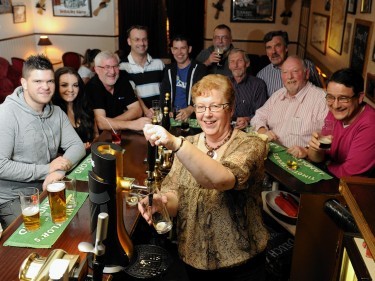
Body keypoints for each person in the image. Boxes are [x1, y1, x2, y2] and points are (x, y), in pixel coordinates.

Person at [139, 74, 269, 280]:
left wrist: (177, 144)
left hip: (240, 264)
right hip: (193, 259)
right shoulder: (189, 143)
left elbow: (221, 180)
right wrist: (160, 204)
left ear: (231, 109)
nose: (206, 115)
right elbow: (174, 195)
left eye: (215, 106)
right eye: (200, 107)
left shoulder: (250, 145)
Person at [0, 54, 85, 230]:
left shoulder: (56, 112)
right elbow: (1, 165)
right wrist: (47, 169)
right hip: (14, 197)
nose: (45, 87)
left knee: (80, 218)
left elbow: (77, 146)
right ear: (23, 83)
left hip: (49, 185)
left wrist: (58, 170)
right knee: (35, 238)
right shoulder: (6, 114)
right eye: (38, 81)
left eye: (50, 81)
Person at [251, 55, 328, 158]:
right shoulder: (278, 95)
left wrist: (306, 150)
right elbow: (259, 116)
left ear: (307, 74)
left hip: (301, 162)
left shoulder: (322, 99)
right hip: (272, 155)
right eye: (285, 72)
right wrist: (262, 131)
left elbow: (329, 139)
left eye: (295, 71)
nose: (289, 77)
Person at [307, 68, 375, 178]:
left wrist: (324, 164)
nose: (335, 105)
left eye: (343, 98)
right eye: (330, 97)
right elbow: (319, 156)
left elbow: (348, 174)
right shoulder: (334, 112)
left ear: (360, 97)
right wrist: (315, 149)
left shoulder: (371, 125)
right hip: (330, 177)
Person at [86, 50, 151, 131]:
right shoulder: (92, 87)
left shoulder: (122, 79)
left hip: (121, 132)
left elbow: (137, 110)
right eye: (107, 67)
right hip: (102, 137)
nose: (112, 72)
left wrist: (111, 123)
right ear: (96, 69)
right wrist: (131, 124)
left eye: (115, 66)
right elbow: (101, 123)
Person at [257, 30, 322, 97]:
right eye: (269, 48)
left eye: (277, 46)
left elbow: (320, 93)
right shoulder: (262, 76)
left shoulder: (308, 65)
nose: (273, 51)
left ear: (286, 48)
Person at [119, 25, 164, 117]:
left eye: (144, 39)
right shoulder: (122, 67)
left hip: (159, 116)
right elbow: (131, 94)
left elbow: (166, 90)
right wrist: (146, 111)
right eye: (137, 39)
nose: (142, 43)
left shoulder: (159, 64)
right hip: (135, 119)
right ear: (129, 41)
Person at [160, 34, 207, 121]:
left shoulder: (200, 69)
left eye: (183, 48)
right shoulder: (169, 69)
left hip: (193, 118)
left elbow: (204, 96)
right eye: (176, 48)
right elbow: (164, 94)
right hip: (173, 118)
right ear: (172, 50)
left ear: (189, 49)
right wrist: (167, 110)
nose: (179, 52)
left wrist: (191, 109)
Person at [53, 66, 99, 152]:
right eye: (64, 85)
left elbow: (96, 135)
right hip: (67, 162)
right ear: (55, 87)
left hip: (90, 157)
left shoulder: (86, 107)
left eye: (75, 85)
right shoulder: (51, 113)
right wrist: (78, 149)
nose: (71, 90)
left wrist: (91, 145)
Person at [228, 48, 268, 130]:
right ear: (229, 66)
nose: (235, 65)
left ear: (247, 63)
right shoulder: (224, 83)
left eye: (239, 61)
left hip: (249, 129)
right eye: (232, 62)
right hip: (226, 128)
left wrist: (247, 119)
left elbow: (262, 113)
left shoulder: (258, 85)